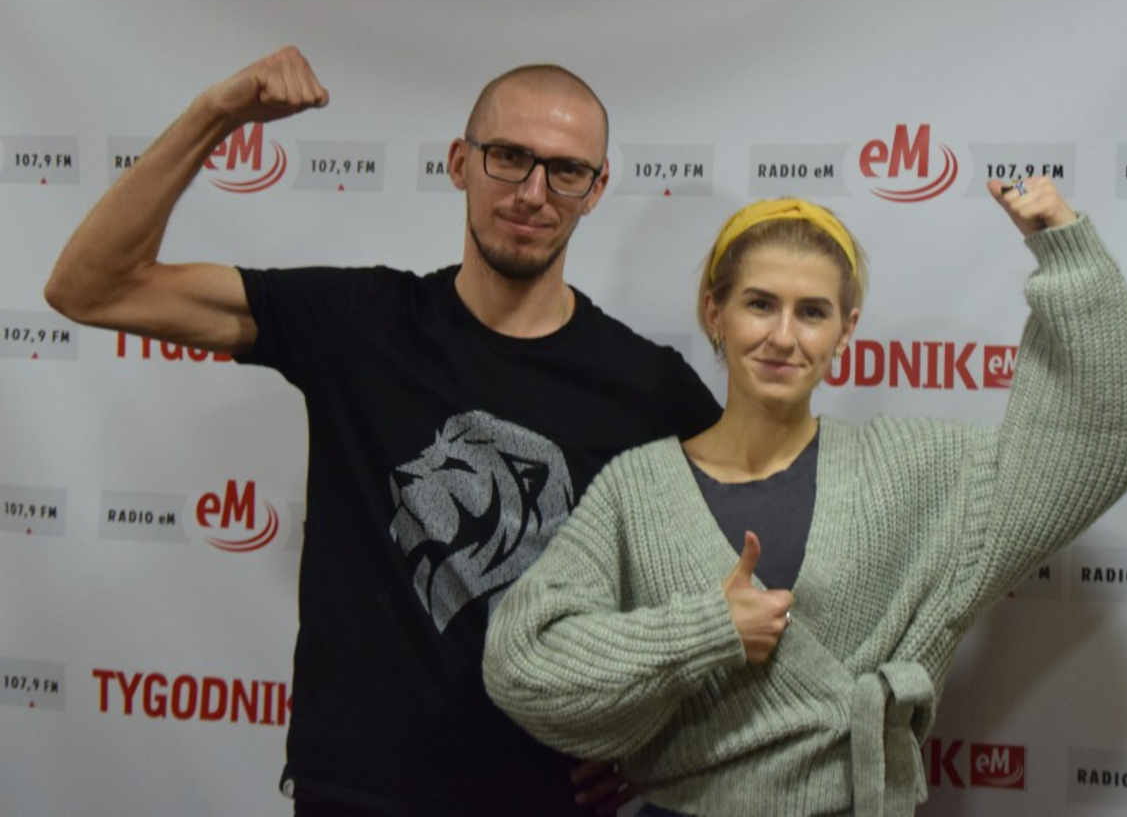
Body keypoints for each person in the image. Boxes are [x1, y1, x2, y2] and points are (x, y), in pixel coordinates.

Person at [44, 46, 720, 816]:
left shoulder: (648, 386)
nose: (533, 193)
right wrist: (216, 114)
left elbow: (746, 580)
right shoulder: (358, 325)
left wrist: (662, 739)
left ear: (595, 190)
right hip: (359, 790)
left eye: (566, 170)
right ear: (460, 162)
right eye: (508, 157)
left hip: (546, 796)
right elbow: (90, 287)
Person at [482, 181, 1127, 817]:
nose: (783, 336)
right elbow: (521, 664)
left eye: (812, 312)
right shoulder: (637, 489)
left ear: (845, 329)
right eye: (760, 304)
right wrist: (705, 631)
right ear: (715, 313)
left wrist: (1067, 248)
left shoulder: (910, 469)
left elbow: (1107, 439)